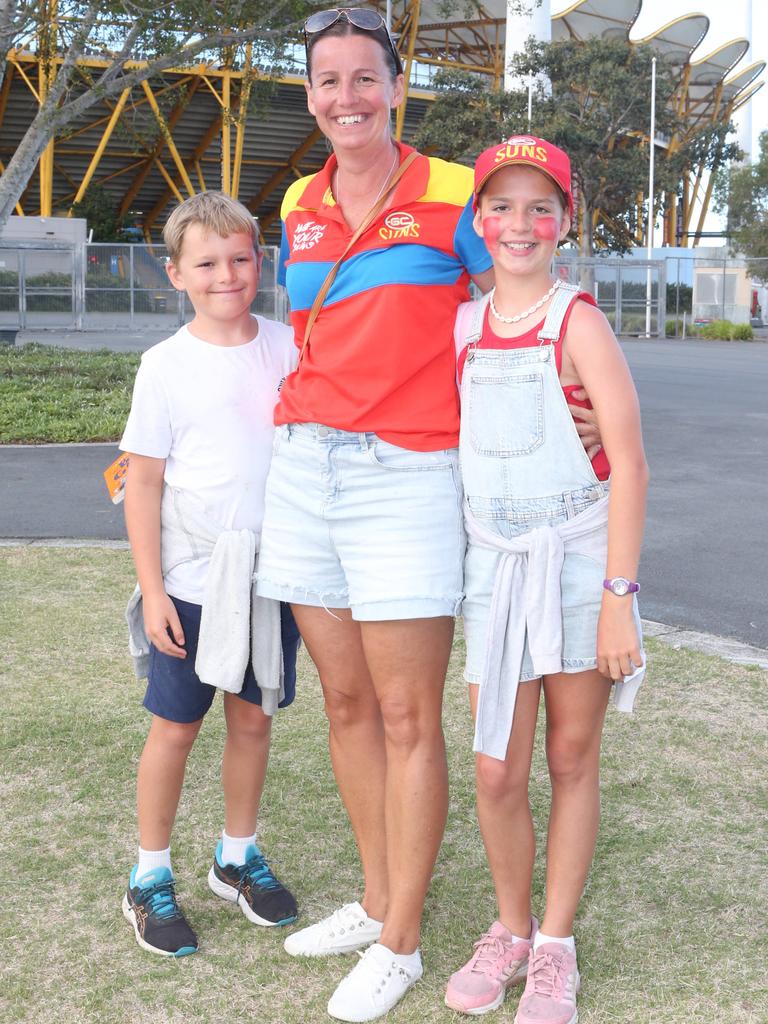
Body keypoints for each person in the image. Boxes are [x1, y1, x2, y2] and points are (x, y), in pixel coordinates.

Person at [256, 11, 600, 1021]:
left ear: (397, 88)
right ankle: (374, 899)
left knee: (408, 715)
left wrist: (578, 385)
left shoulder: (452, 192)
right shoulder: (297, 200)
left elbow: (520, 292)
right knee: (347, 703)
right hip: (302, 463)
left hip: (405, 471)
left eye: (367, 79)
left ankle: (402, 941)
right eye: (328, 81)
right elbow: (314, 329)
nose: (347, 98)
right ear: (310, 94)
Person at [444, 137, 648, 1023]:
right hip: (496, 570)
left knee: (570, 756)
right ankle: (510, 928)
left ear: (564, 223)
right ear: (478, 219)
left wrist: (617, 601)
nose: (518, 224)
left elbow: (630, 464)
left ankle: (555, 946)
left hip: (572, 567)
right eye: (501, 206)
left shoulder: (581, 322)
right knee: (496, 770)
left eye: (539, 208)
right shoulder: (461, 322)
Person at [120, 191, 300, 958]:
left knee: (253, 720)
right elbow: (146, 484)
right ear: (175, 274)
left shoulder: (290, 346)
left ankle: (235, 857)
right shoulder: (164, 366)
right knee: (176, 727)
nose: (226, 275)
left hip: (271, 576)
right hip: (192, 582)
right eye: (206, 263)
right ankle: (148, 876)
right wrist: (155, 591)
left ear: (260, 261)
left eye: (240, 258)